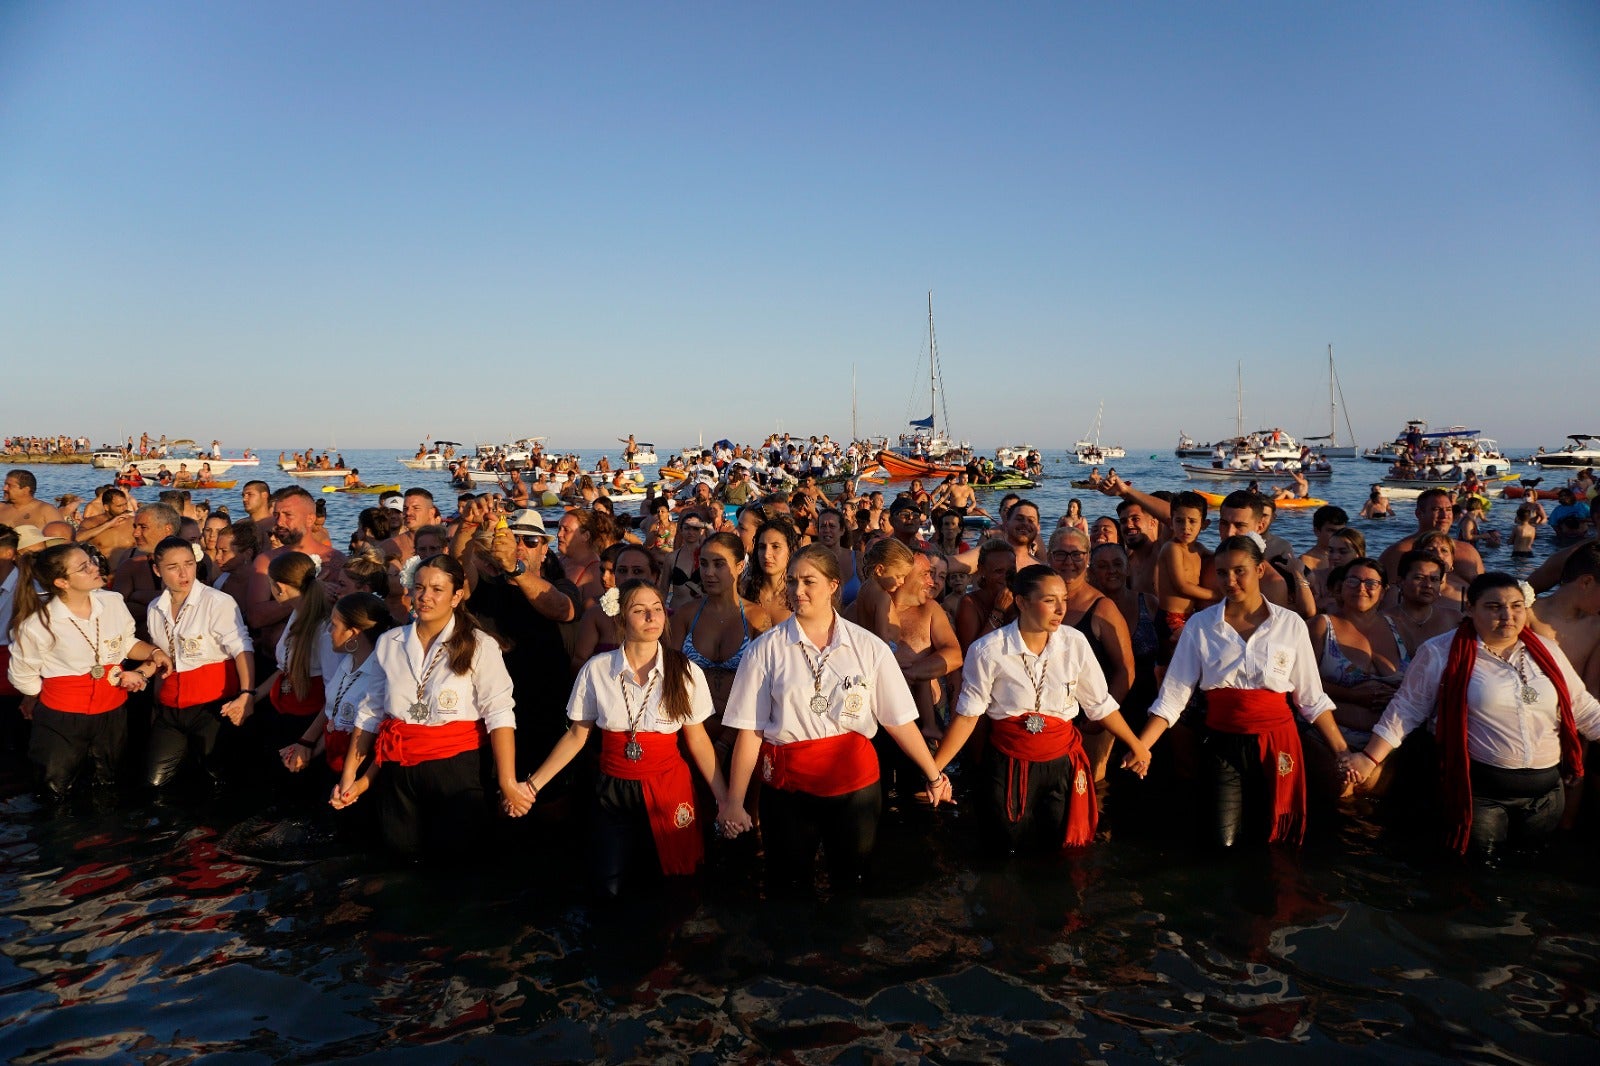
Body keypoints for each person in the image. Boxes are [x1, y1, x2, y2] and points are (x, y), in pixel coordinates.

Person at [720, 545, 952, 894]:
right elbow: (751, 731)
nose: (798, 591)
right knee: (789, 886)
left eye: (809, 581)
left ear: (832, 585)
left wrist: (934, 775)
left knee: (853, 882)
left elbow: (898, 720)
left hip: (854, 790)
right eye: (793, 581)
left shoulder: (868, 647)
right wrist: (735, 802)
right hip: (788, 791)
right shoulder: (764, 650)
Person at [1348, 573, 1600, 861]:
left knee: (1530, 866)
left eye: (1516, 606)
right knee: (1480, 874)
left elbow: (1583, 708)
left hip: (1545, 795)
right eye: (1494, 607)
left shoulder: (1547, 651)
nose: (1508, 615)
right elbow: (1406, 709)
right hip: (1480, 794)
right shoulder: (1441, 652)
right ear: (1470, 609)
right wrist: (1368, 759)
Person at [1134, 534, 1349, 847]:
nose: (1230, 581)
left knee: (1278, 838)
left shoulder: (1290, 625)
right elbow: (1172, 698)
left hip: (1280, 745)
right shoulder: (1201, 625)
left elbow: (1312, 699)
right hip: (1223, 745)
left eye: (1239, 571)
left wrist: (1343, 752)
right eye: (1222, 573)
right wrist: (1142, 746)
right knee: (1223, 841)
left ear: (1260, 570)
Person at [526, 580, 729, 895]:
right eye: (640, 610)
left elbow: (698, 740)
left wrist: (726, 799)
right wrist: (532, 786)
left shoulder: (685, 671)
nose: (652, 618)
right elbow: (577, 736)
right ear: (620, 620)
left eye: (657, 609)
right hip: (613, 790)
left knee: (672, 883)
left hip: (668, 788)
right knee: (610, 886)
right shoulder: (597, 670)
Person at [937, 565, 1150, 851]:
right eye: (1049, 600)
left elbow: (1099, 704)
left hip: (1061, 762)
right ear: (1022, 602)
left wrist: (1136, 744)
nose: (1061, 608)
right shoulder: (987, 650)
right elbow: (967, 716)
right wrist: (935, 769)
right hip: (1008, 762)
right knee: (1006, 848)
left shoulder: (1075, 643)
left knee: (1060, 849)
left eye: (1063, 599)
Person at [332, 554, 531, 857]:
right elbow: (371, 712)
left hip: (456, 768)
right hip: (399, 770)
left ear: (457, 596)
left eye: (437, 589)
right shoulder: (390, 642)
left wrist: (507, 782)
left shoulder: (479, 645)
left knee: (455, 860)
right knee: (400, 855)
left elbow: (500, 714)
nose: (425, 597)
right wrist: (350, 776)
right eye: (419, 587)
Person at [8, 545, 172, 800]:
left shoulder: (112, 601)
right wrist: (51, 694)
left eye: (91, 561)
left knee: (108, 783)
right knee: (55, 789)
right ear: (62, 582)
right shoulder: (37, 624)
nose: (95, 567)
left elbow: (127, 643)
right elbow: (22, 675)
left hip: (112, 710)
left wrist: (153, 652)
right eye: (84, 567)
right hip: (61, 718)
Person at [143, 536, 254, 791]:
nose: (184, 573)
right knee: (154, 782)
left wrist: (247, 694)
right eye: (173, 567)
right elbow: (162, 656)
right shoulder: (154, 608)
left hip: (212, 708)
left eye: (189, 564)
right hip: (170, 709)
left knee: (216, 779)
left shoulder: (217, 602)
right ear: (157, 570)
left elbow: (241, 647)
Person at [1308, 558, 1410, 781]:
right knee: (1345, 788)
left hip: (1390, 740)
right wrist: (1353, 695)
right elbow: (1304, 685)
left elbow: (1419, 684)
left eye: (1371, 583)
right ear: (1340, 587)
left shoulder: (1399, 626)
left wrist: (1397, 695)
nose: (1361, 588)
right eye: (1353, 581)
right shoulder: (1321, 626)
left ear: (1383, 591)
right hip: (1335, 737)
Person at [281, 592, 393, 790]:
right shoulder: (347, 662)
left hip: (361, 770)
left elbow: (375, 737)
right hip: (335, 759)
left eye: (334, 625)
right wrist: (306, 747)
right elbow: (334, 714)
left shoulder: (379, 673)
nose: (328, 632)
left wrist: (357, 783)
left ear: (353, 633)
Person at [670, 532, 770, 727]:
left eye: (718, 564)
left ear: (740, 567)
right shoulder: (685, 615)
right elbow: (670, 678)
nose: (708, 572)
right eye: (704, 563)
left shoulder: (757, 618)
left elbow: (763, 688)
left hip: (739, 728)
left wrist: (726, 742)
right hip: (690, 726)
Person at [255, 551, 337, 752]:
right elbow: (284, 667)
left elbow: (333, 695)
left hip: (306, 721)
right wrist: (250, 697)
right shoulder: (297, 612)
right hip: (285, 707)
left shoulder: (324, 630)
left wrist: (307, 742)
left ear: (280, 588)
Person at [1154, 492, 1218, 661]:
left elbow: (1218, 557)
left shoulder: (1199, 548)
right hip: (1171, 617)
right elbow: (1181, 585)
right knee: (1173, 664)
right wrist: (1217, 595)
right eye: (1179, 521)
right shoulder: (1172, 548)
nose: (1185, 527)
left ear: (1204, 524)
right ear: (1171, 522)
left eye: (1192, 521)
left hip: (1190, 616)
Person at [1378, 489, 1484, 587]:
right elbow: (1390, 597)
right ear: (1419, 513)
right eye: (1436, 509)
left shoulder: (1468, 551)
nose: (1444, 515)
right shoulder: (1399, 552)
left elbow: (1485, 591)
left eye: (1448, 509)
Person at [954, 539, 1017, 652]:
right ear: (982, 570)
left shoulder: (1021, 599)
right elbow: (972, 654)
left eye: (1011, 571)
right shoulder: (970, 603)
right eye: (998, 571)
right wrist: (998, 612)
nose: (1005, 577)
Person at [741, 518, 797, 626]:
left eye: (775, 547)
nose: (766, 554)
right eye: (762, 547)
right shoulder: (744, 590)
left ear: (790, 550)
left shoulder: (799, 594)